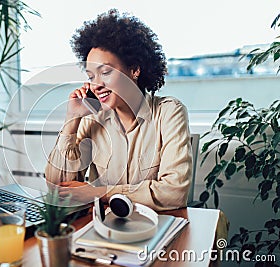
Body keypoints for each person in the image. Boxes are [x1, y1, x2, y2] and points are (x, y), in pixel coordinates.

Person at [45, 9, 192, 211]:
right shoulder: (92, 118)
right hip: (104, 228)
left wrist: (98, 192)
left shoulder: (169, 113)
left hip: (156, 228)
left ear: (134, 70)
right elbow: (58, 188)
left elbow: (174, 193)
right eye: (90, 76)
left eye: (105, 72)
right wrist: (72, 120)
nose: (96, 85)